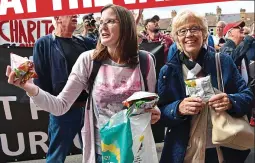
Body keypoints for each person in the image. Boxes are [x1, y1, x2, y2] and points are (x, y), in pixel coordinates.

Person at [6, 4, 161, 163]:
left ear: (126, 26)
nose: (102, 27)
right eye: (101, 22)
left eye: (110, 21)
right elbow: (60, 105)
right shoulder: (89, 60)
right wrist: (29, 88)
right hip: (104, 152)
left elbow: (150, 101)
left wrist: (154, 111)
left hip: (136, 149)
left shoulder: (145, 61)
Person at [157, 10, 254, 163]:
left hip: (222, 150)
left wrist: (230, 101)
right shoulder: (168, 71)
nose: (189, 34)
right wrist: (178, 108)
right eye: (182, 31)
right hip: (185, 153)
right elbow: (159, 115)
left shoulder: (222, 61)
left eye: (194, 29)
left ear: (204, 34)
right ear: (177, 38)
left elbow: (248, 96)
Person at [31, 15, 95, 163]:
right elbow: (40, 77)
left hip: (89, 109)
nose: (76, 16)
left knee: (93, 153)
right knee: (56, 156)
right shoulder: (44, 43)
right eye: (70, 13)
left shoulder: (85, 42)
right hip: (63, 111)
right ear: (58, 18)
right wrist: (52, 105)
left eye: (76, 14)